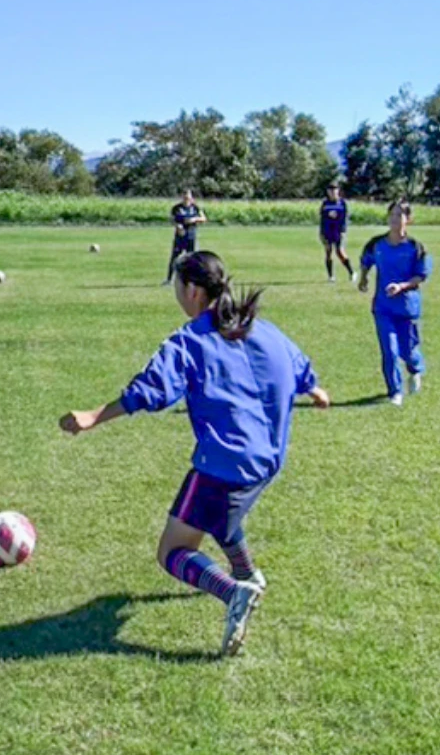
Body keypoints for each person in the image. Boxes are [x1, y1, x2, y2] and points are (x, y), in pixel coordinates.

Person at [60, 250, 329, 656]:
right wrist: (313, 387)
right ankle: (249, 575)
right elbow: (299, 363)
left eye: (176, 287)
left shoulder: (189, 341)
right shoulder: (265, 330)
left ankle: (233, 592)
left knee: (173, 551)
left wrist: (93, 416)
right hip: (268, 461)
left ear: (191, 289)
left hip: (225, 463)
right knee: (222, 515)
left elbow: (149, 390)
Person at [358, 200, 432, 406]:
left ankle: (415, 369)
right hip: (382, 307)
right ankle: (395, 391)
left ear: (408, 219)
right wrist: (364, 277)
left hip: (407, 308)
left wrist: (402, 286)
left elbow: (421, 275)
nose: (394, 219)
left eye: (399, 215)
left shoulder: (416, 248)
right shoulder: (377, 244)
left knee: (408, 351)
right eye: (392, 215)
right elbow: (366, 260)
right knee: (389, 351)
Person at [164, 190, 206, 285]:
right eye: (184, 196)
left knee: (192, 259)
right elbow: (172, 220)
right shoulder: (176, 208)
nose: (186, 198)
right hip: (180, 237)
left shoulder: (195, 208)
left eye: (188, 197)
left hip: (191, 236)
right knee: (175, 258)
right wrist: (177, 226)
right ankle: (169, 279)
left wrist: (194, 219)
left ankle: (193, 279)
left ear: (191, 198)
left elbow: (203, 218)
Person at [319, 184, 355, 283]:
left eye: (334, 190)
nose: (332, 192)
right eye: (330, 190)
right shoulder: (325, 203)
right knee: (328, 252)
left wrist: (343, 231)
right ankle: (331, 276)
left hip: (338, 231)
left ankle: (351, 272)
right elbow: (322, 219)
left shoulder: (342, 203)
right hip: (327, 231)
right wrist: (321, 232)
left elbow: (345, 219)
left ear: (338, 191)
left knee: (340, 252)